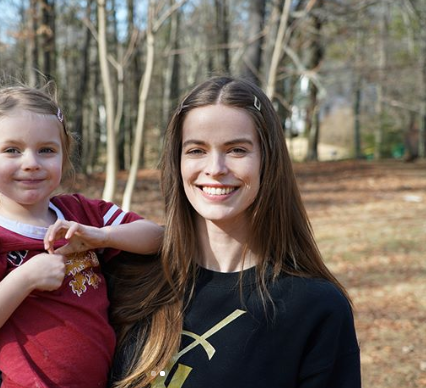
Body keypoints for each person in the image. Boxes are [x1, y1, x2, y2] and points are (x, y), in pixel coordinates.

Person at [107, 76, 361, 388]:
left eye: (237, 150)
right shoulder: (127, 274)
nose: (215, 168)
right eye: (197, 150)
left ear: (267, 161)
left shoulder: (315, 309)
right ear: (177, 162)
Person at [0, 83, 164, 388]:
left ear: (63, 155)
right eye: (11, 150)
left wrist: (102, 236)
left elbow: (158, 238)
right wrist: (23, 279)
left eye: (46, 150)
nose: (31, 162)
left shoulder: (81, 212)